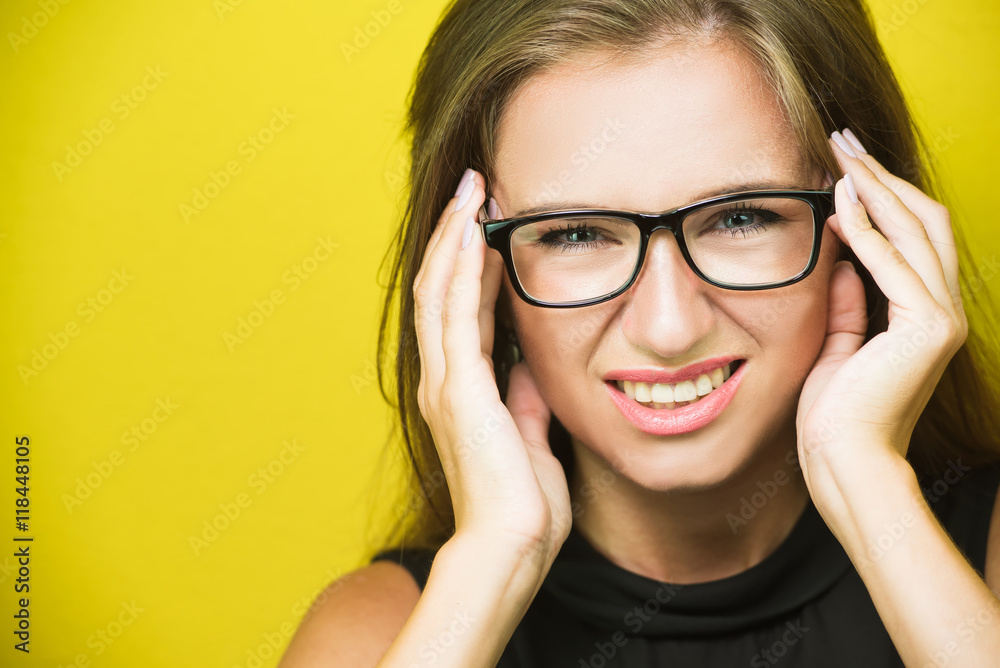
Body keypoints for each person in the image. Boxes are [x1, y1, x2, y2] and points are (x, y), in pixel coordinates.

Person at [279, 0, 1000, 665]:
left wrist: (870, 490)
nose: (668, 327)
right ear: (473, 275)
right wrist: (496, 560)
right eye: (576, 233)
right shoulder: (378, 635)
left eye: (741, 218)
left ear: (864, 232)